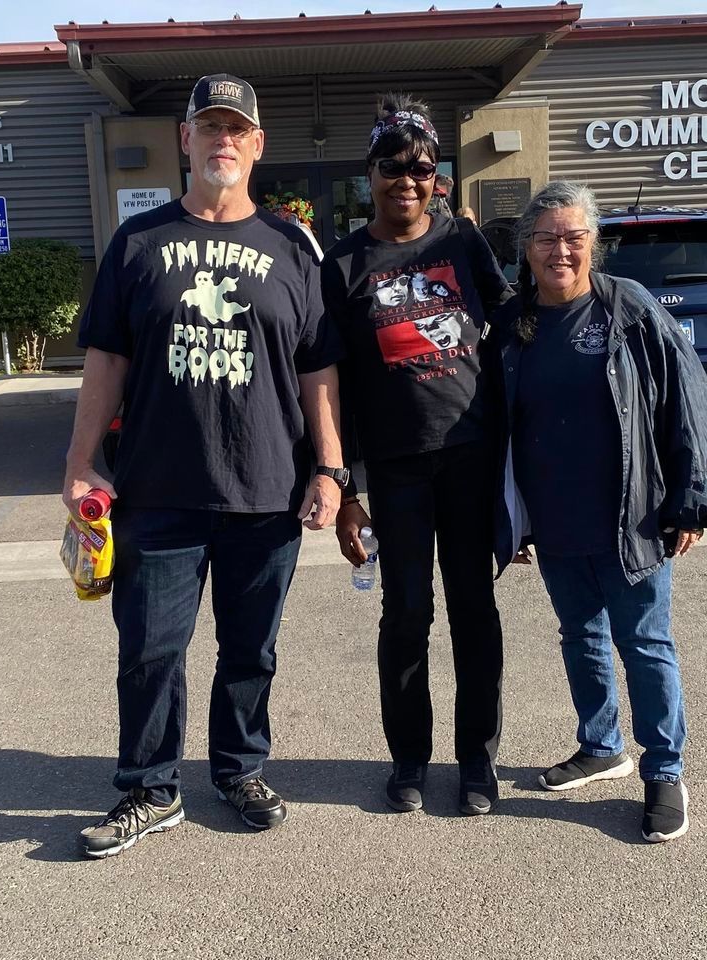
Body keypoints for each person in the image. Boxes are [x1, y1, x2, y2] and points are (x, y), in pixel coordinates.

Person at [63, 73, 346, 859]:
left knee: (251, 649)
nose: (223, 140)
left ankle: (238, 769)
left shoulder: (293, 246)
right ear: (184, 140)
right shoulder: (139, 242)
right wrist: (82, 461)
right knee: (150, 649)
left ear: (257, 145)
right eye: (208, 127)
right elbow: (106, 361)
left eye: (238, 129)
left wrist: (331, 469)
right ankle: (150, 789)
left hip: (266, 489)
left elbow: (319, 368)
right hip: (156, 485)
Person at [492, 180, 707, 843]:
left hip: (632, 517)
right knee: (578, 634)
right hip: (555, 518)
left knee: (644, 643)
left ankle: (665, 770)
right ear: (526, 247)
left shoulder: (631, 310)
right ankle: (602, 745)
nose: (561, 250)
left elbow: (686, 401)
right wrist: (510, 518)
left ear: (593, 245)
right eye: (547, 237)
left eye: (574, 237)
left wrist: (692, 500)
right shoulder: (513, 324)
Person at [321, 92, 513, 816]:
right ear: (368, 173)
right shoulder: (342, 265)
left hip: (470, 459)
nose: (406, 177)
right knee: (405, 615)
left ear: (439, 175)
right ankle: (408, 759)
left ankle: (477, 763)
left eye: (421, 166)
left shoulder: (463, 245)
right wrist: (346, 485)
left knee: (474, 611)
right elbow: (328, 383)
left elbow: (514, 329)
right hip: (394, 469)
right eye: (390, 165)